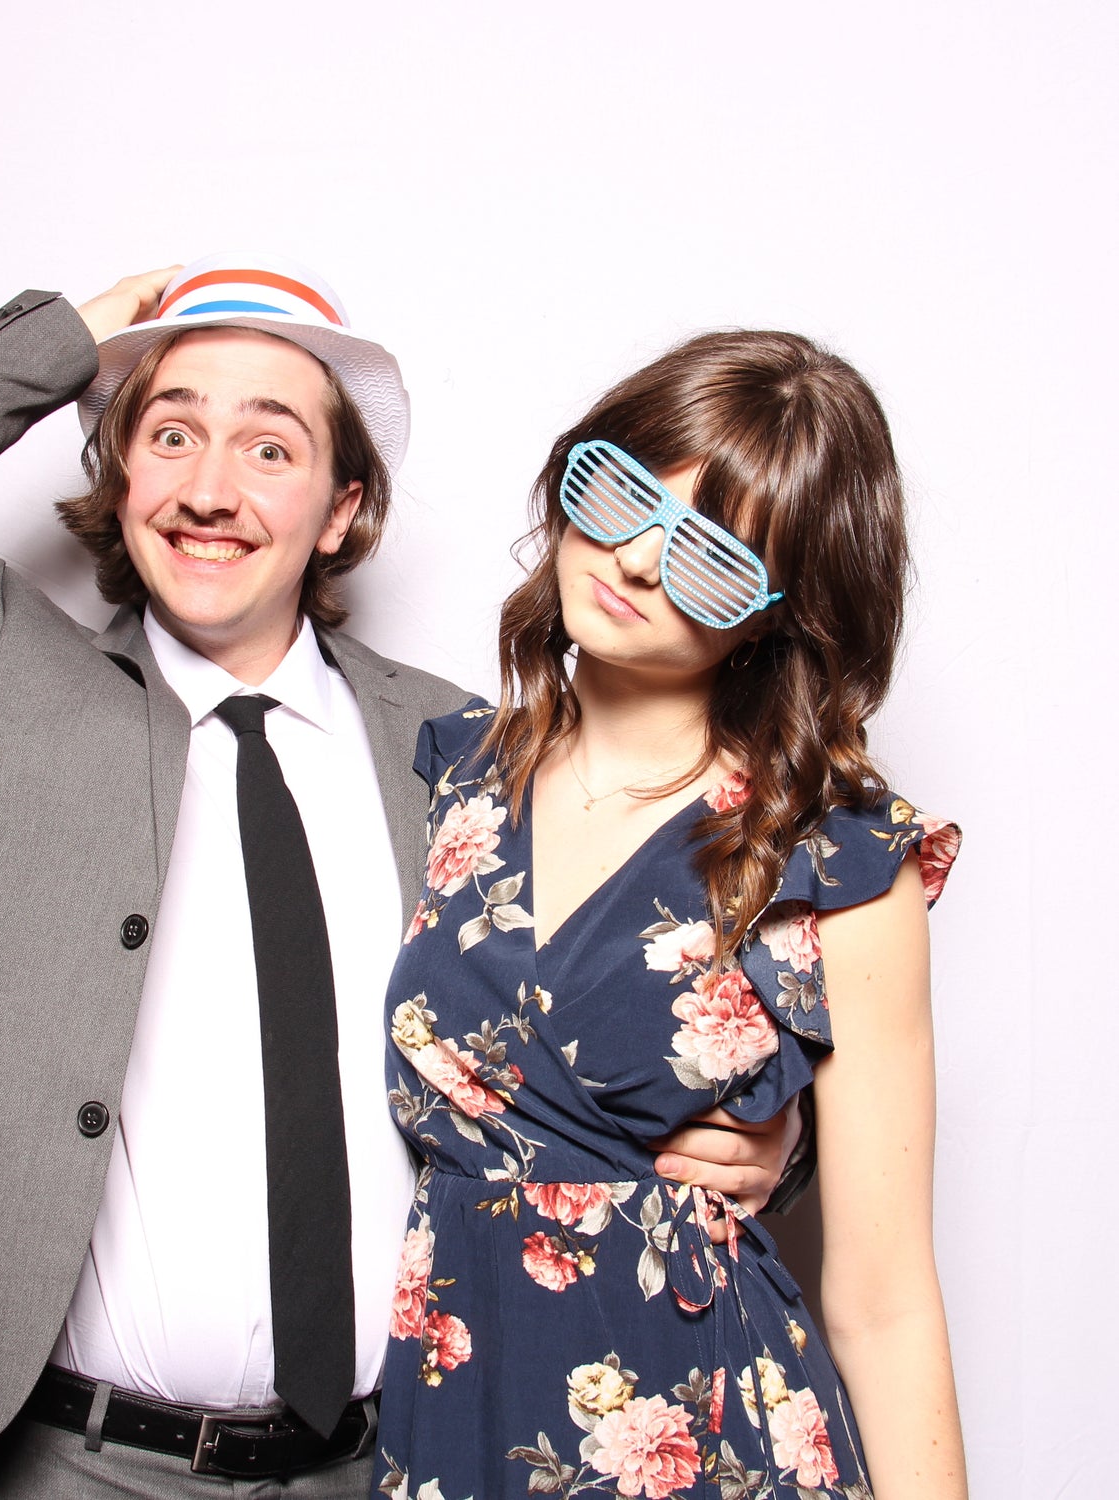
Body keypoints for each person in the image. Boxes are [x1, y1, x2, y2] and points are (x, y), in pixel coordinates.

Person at [0, 257, 797, 1498]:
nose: (208, 489)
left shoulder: (461, 751)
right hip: (69, 1463)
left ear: (342, 510)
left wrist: (770, 1137)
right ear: (119, 476)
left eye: (270, 449)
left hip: (397, 1455)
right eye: (171, 433)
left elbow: (622, 1004)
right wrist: (66, 345)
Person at [375, 331, 967, 1499]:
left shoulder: (835, 860)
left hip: (704, 1437)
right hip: (455, 1416)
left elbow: (887, 1299)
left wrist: (773, 1151)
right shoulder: (451, 779)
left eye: (710, 558)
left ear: (779, 621)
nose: (638, 559)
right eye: (621, 492)